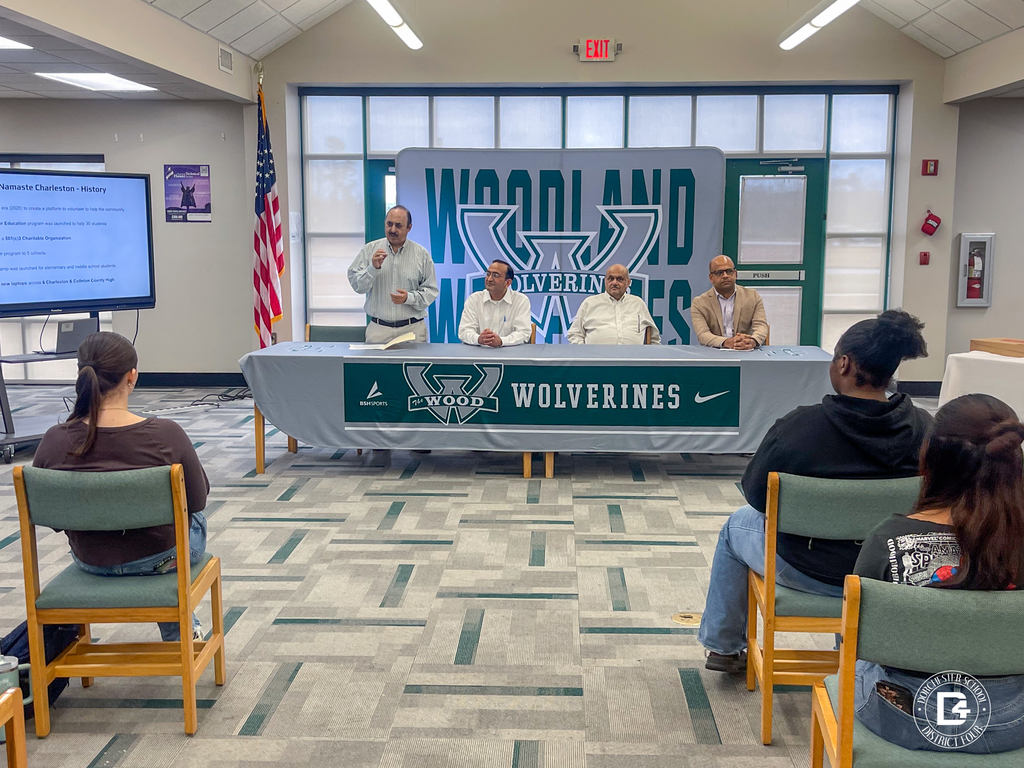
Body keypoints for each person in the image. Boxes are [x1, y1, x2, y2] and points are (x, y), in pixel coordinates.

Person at [699, 310, 931, 672]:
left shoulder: (798, 427)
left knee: (735, 526)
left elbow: (757, 495)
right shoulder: (927, 430)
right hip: (891, 573)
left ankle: (723, 647)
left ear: (843, 363)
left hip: (806, 569)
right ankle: (858, 650)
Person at [852, 394, 1024, 753]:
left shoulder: (888, 539)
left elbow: (856, 640)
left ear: (932, 457)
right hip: (1014, 723)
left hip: (909, 718)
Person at [33, 332, 210, 642]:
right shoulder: (166, 434)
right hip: (160, 560)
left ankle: (178, 620)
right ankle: (179, 622)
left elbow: (49, 517)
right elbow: (197, 500)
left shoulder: (54, 440)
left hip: (92, 561)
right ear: (132, 376)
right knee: (193, 520)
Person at [347, 205, 439, 343]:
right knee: (375, 366)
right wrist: (372, 268)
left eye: (398, 225)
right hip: (379, 329)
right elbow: (357, 286)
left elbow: (431, 291)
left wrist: (409, 297)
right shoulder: (370, 250)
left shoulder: (422, 254)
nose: (393, 230)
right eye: (389, 224)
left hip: (412, 329)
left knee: (414, 365)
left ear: (409, 228)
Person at [566, 264, 660, 344]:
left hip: (633, 361)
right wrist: (585, 357)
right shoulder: (590, 303)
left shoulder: (638, 303)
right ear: (605, 281)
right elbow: (574, 334)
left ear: (628, 282)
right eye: (610, 279)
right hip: (596, 362)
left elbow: (653, 339)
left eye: (619, 279)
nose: (614, 283)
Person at [690, 255, 768, 349]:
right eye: (719, 273)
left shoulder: (752, 296)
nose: (725, 276)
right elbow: (702, 334)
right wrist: (727, 342)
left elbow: (761, 326)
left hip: (747, 351)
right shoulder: (699, 303)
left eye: (729, 271)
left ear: (735, 274)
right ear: (711, 278)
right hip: (714, 353)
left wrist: (752, 341)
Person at [458, 260, 532, 347]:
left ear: (508, 283)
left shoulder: (520, 300)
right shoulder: (474, 299)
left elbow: (523, 333)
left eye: (495, 275)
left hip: (511, 355)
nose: (489, 279)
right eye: (488, 274)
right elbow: (464, 331)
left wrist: (501, 341)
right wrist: (478, 339)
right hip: (479, 355)